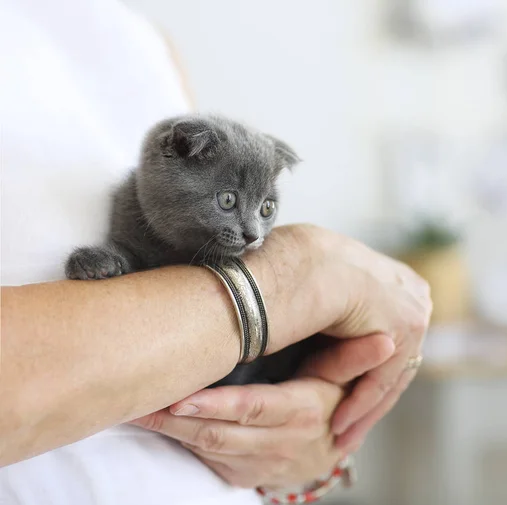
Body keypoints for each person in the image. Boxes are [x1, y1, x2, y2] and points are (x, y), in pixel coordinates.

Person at [0, 0, 432, 504]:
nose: (252, 232)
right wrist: (287, 279)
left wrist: (308, 448)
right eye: (230, 204)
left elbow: (297, 454)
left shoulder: (136, 37)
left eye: (264, 209)